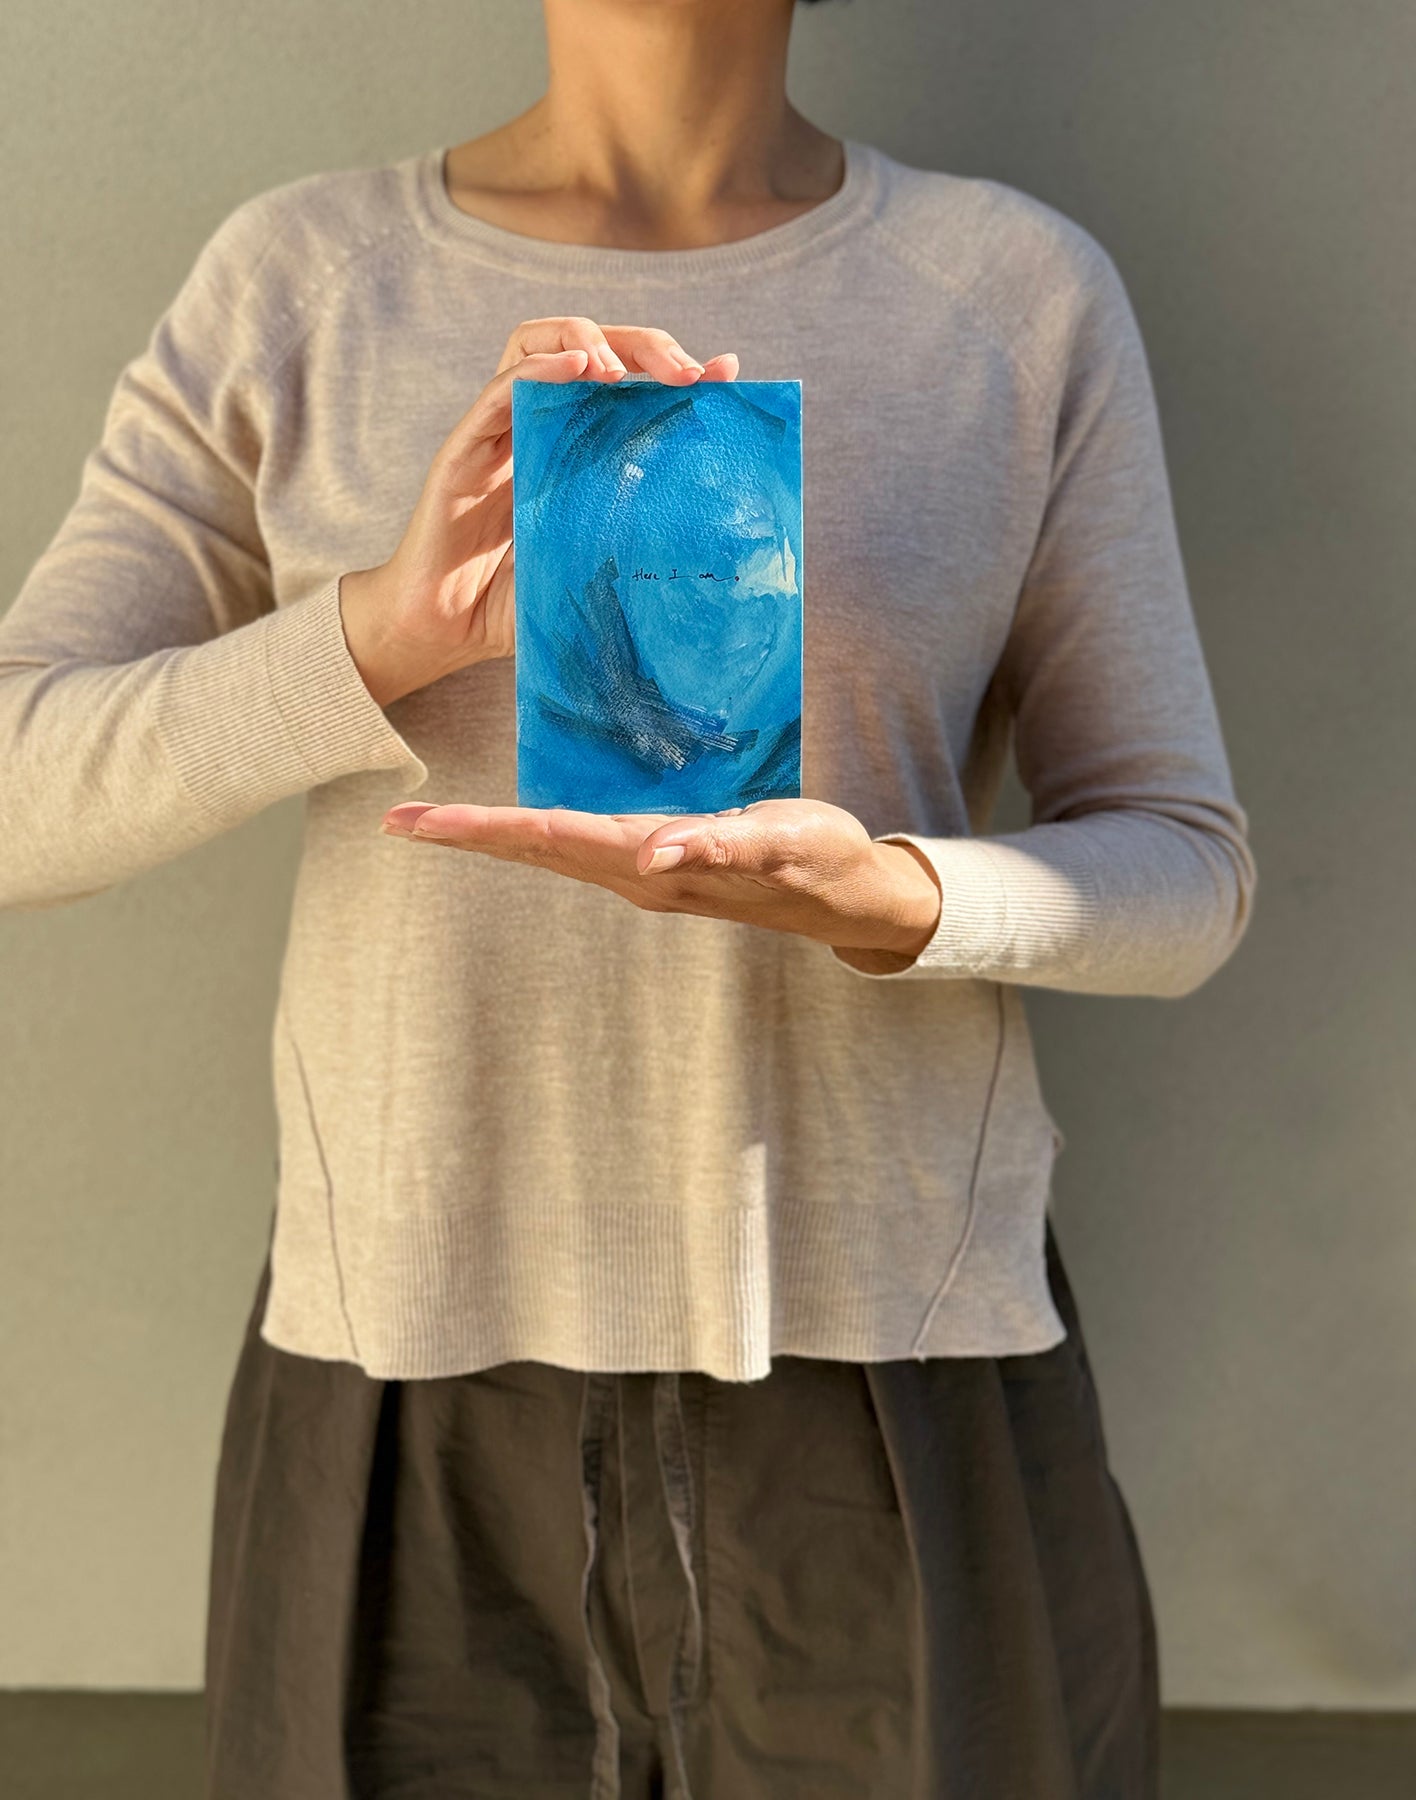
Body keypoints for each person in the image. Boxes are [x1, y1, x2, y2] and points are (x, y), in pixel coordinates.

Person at [0, 0, 1257, 1795]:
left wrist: (895, 898)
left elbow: (1184, 869)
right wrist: (374, 632)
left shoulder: (1013, 291)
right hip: (404, 1378)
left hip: (892, 1356)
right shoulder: (299, 282)